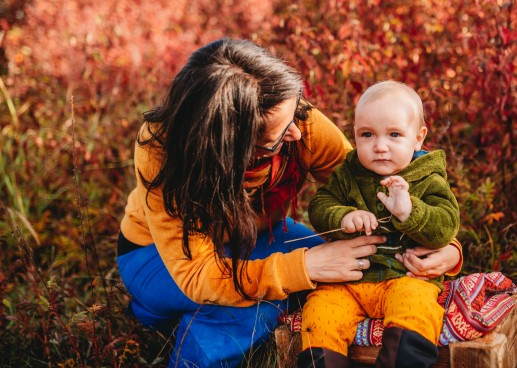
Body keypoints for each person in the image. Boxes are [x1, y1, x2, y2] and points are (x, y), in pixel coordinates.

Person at [115, 38, 462, 368]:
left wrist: (447, 248)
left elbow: (368, 186)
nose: (296, 133)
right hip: (159, 259)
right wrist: (305, 267)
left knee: (352, 269)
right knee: (254, 308)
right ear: (228, 147)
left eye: (295, 114)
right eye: (277, 138)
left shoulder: (293, 117)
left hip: (256, 238)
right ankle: (163, 317)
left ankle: (191, 316)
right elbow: (196, 272)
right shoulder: (162, 147)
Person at [298, 81, 461, 368]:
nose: (380, 146)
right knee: (321, 310)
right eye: (367, 135)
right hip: (349, 281)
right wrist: (343, 216)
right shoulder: (348, 173)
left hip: (406, 277)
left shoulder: (428, 178)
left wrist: (411, 211)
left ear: (418, 138)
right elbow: (320, 206)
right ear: (355, 135)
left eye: (395, 134)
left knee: (415, 307)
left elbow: (446, 226)